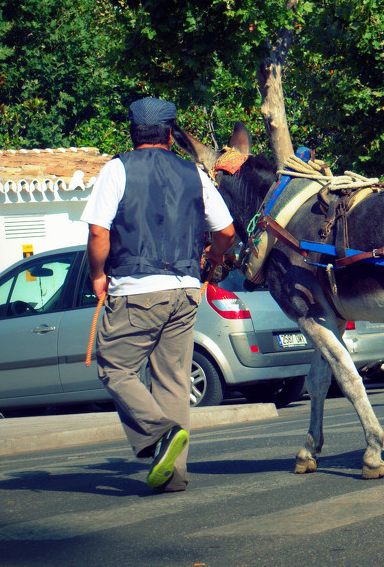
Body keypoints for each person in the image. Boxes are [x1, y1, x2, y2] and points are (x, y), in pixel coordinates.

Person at [81, 96, 236, 492]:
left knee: (114, 366)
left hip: (137, 288)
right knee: (172, 380)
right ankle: (173, 475)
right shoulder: (194, 173)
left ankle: (159, 432)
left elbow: (99, 232)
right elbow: (227, 233)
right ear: (170, 133)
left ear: (132, 133)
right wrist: (211, 260)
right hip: (185, 289)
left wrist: (97, 275)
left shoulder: (117, 169)